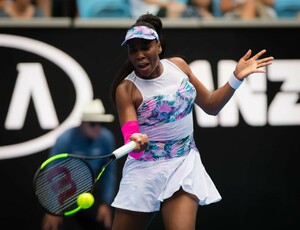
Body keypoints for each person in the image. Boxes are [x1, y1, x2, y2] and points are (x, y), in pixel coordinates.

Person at [109, 13, 274, 230]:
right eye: (133, 49)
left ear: (158, 46)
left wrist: (236, 77)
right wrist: (136, 141)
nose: (139, 54)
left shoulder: (179, 67)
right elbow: (133, 143)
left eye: (145, 47)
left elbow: (212, 106)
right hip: (144, 171)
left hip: (183, 163)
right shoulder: (126, 90)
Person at [41, 98, 117, 230]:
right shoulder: (64, 139)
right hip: (63, 194)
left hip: (91, 194)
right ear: (82, 123)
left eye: (100, 123)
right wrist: (52, 208)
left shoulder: (107, 138)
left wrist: (106, 202)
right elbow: (52, 174)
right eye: (93, 123)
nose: (97, 128)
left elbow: (109, 173)